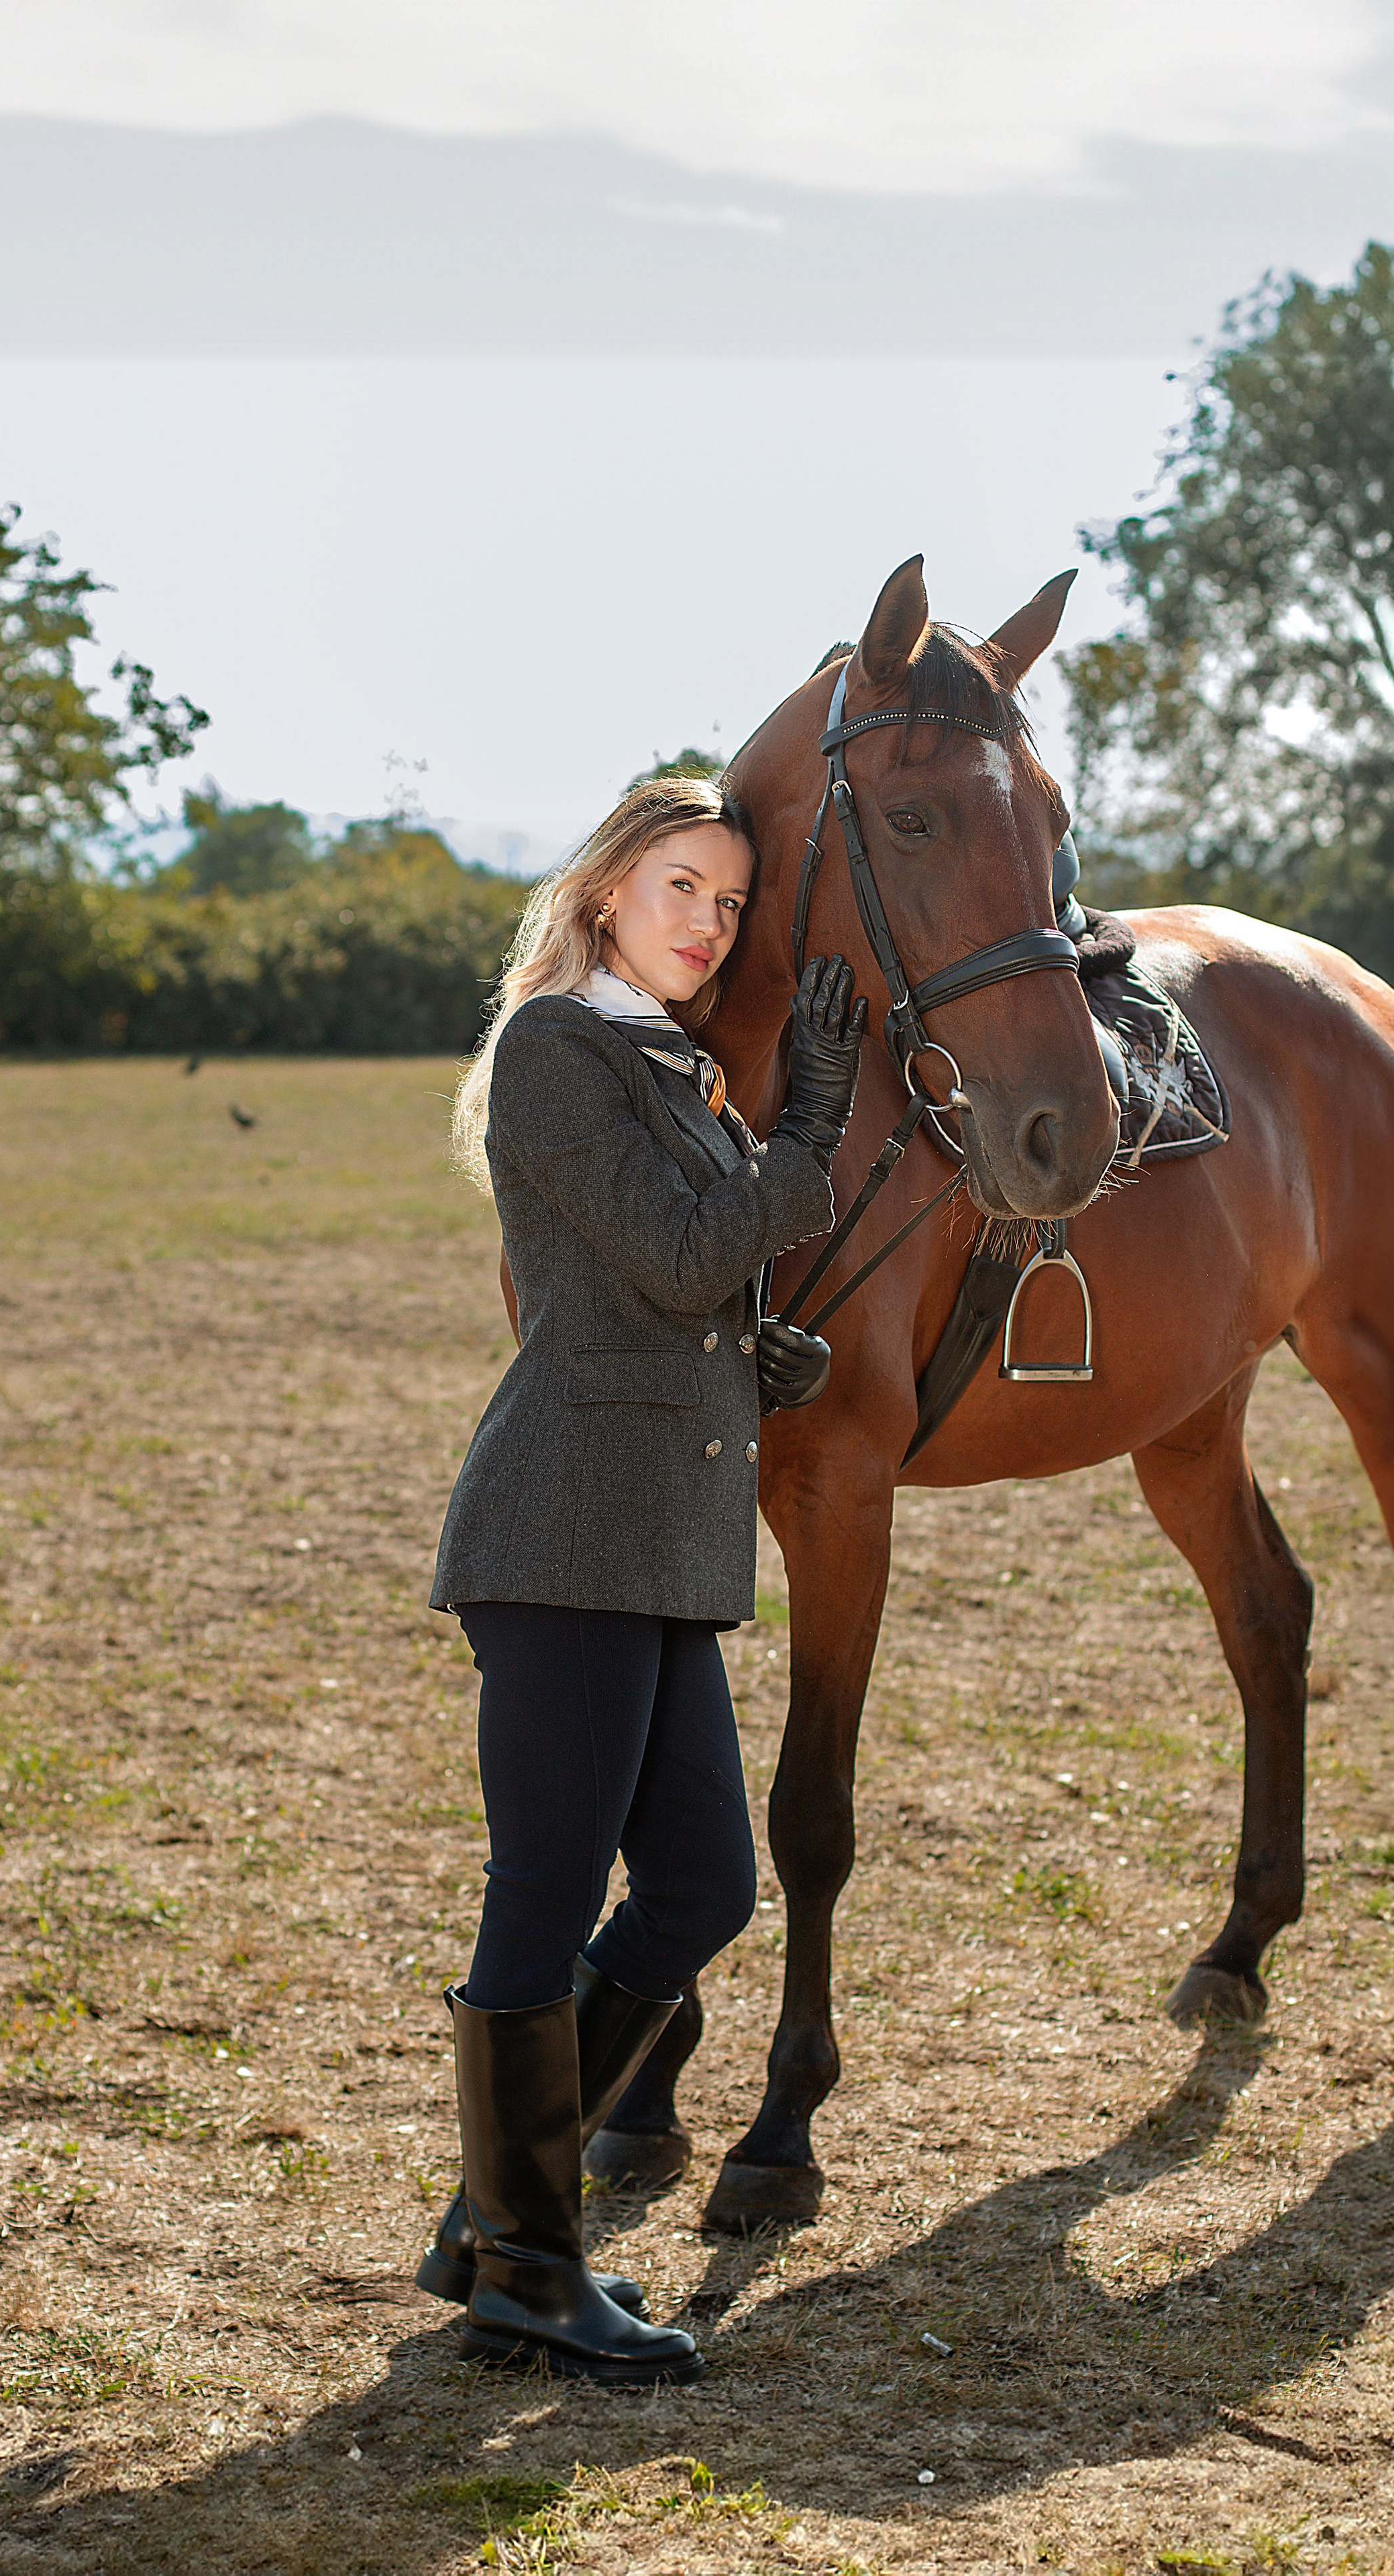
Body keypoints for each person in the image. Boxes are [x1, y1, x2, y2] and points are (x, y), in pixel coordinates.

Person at [419, 772, 862, 2382]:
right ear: (607, 889)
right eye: (683, 886)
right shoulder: (555, 1049)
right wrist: (803, 1130)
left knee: (703, 1887)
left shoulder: (660, 1063)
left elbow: (680, 1293)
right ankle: (529, 2265)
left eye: (732, 902)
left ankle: (495, 2214)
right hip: (561, 1531)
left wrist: (754, 1356)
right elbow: (679, 1254)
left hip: (656, 1538)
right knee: (544, 1887)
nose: (710, 924)